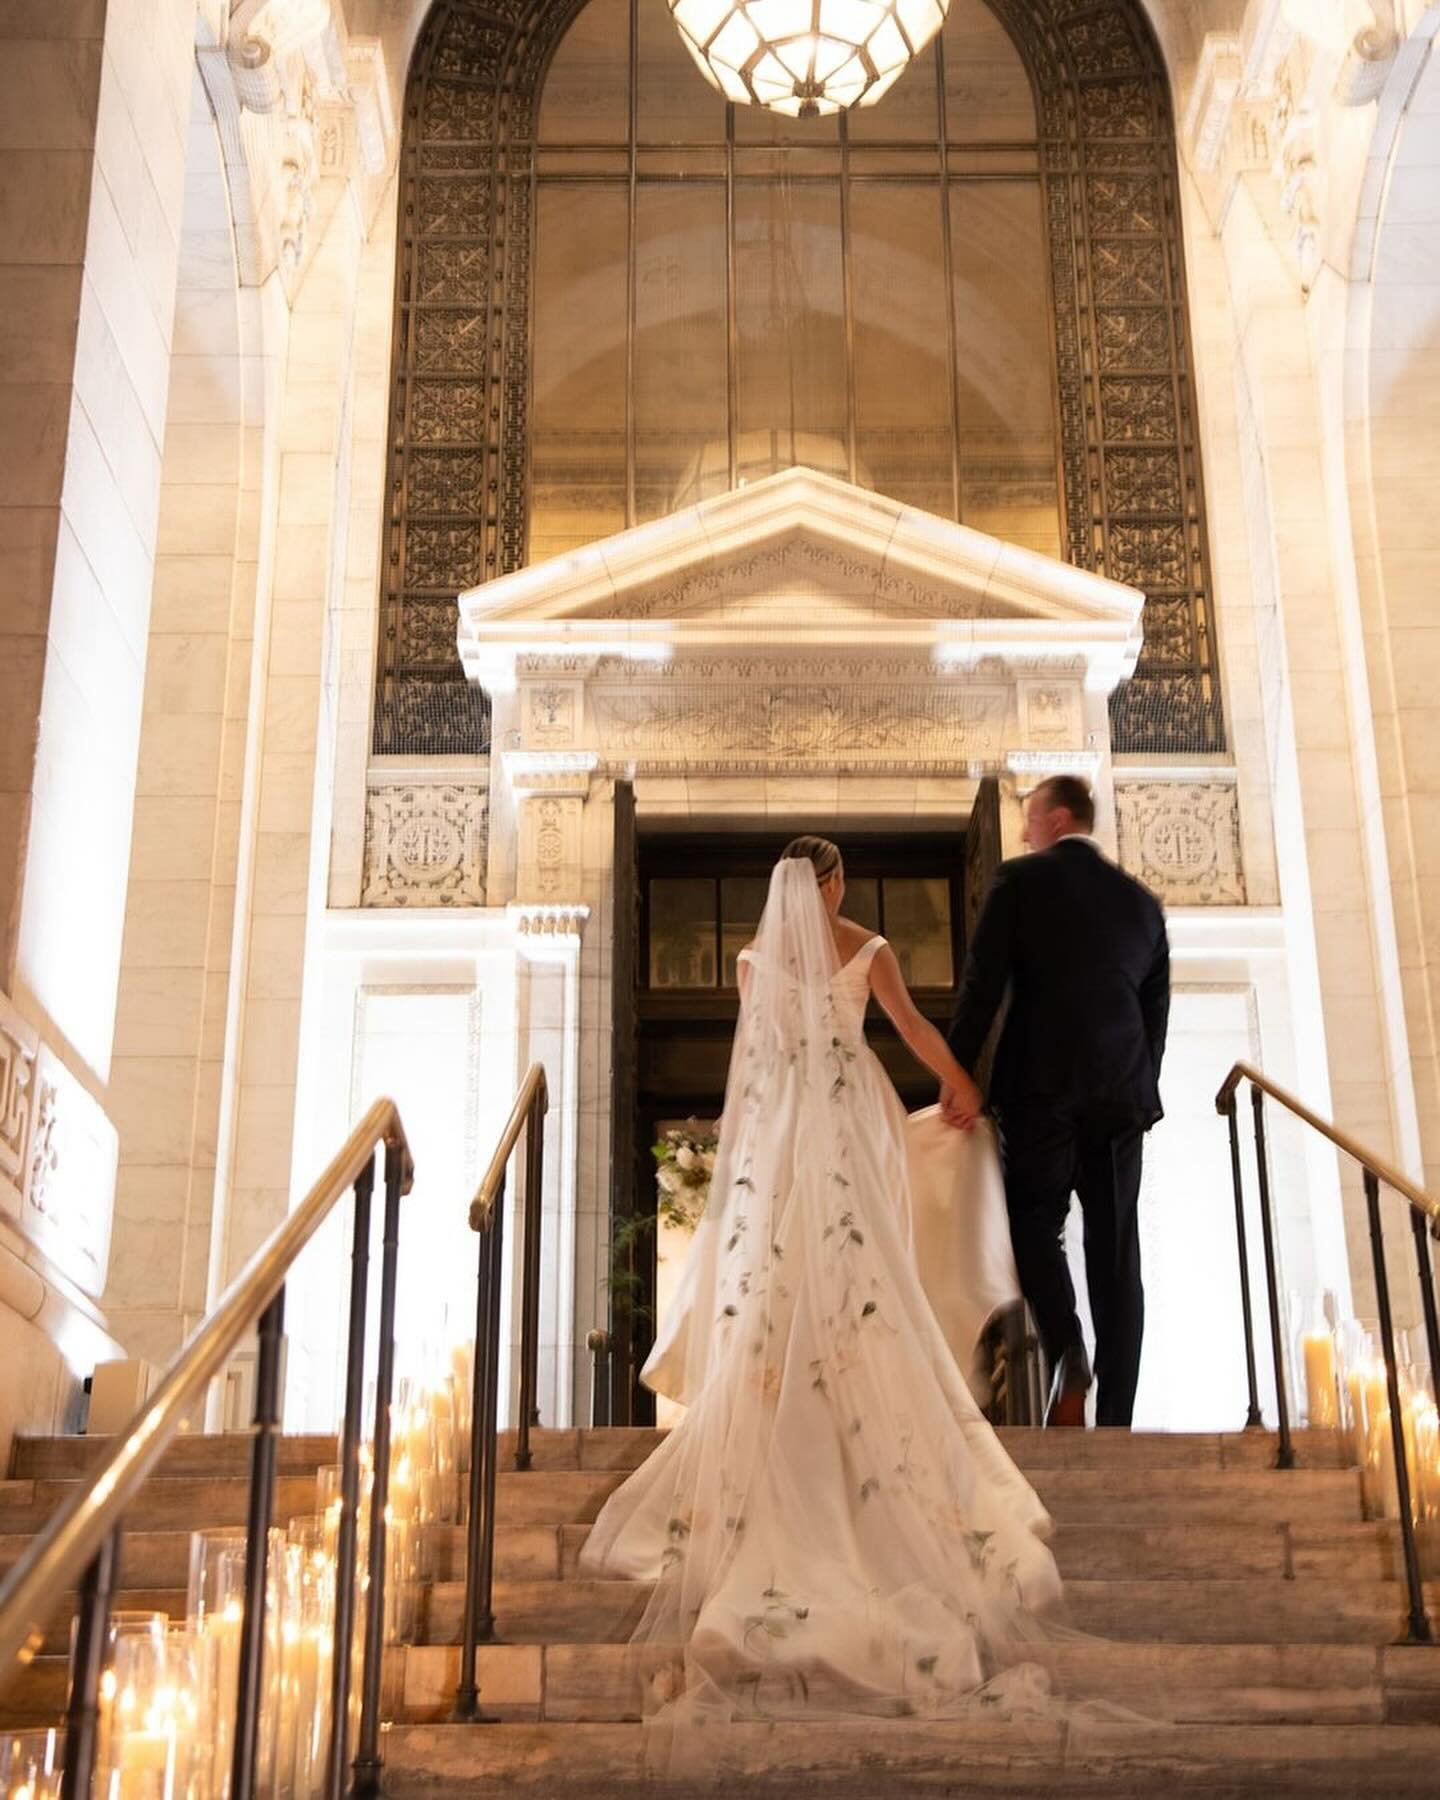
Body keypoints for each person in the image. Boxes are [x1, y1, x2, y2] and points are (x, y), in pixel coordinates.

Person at [581, 837, 1061, 1734]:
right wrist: (961, 1085)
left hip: (785, 1118)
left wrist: (733, 1139)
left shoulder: (754, 956)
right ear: (832, 882)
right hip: (849, 1109)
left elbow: (752, 1058)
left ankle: (796, 1424)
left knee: (787, 1271)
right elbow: (913, 1030)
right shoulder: (867, 947)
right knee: (868, 1264)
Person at [943, 775, 1170, 1430]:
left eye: (1029, 819)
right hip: (1121, 1095)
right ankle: (1118, 1419)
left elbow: (982, 983)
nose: (1022, 832)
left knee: (1032, 1223)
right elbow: (1154, 1013)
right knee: (1116, 1249)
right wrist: (1139, 1087)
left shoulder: (1019, 883)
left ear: (1057, 818)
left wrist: (957, 1070)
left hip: (1041, 1085)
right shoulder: (1144, 905)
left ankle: (1069, 1350)